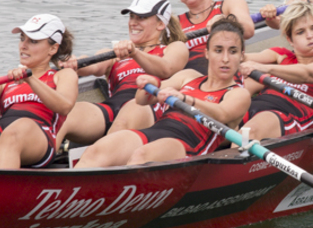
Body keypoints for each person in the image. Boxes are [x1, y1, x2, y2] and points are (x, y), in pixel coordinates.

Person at [74, 16, 251, 168]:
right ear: (207, 53)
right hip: (155, 131)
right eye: (218, 50)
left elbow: (221, 114)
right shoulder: (188, 76)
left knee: (141, 157)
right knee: (97, 151)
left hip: (185, 144)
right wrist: (150, 84)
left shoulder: (238, 93)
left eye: (233, 51)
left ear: (242, 56)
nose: (225, 59)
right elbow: (141, 100)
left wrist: (185, 99)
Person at [55, 0, 190, 148]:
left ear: (160, 24)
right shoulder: (115, 54)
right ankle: (44, 158)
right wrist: (75, 64)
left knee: (130, 111)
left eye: (141, 18)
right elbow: (93, 66)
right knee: (67, 115)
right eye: (131, 17)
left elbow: (166, 69)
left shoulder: (174, 48)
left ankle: (100, 155)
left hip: (146, 108)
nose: (133, 23)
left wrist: (135, 53)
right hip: (111, 108)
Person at [0, 14, 78, 169]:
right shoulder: (5, 81)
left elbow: (65, 106)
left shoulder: (63, 75)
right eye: (22, 39)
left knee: (17, 130)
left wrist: (30, 78)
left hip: (40, 137)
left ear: (53, 48)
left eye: (33, 41)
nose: (23, 46)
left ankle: (0, 182)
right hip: (3, 130)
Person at [239, 0, 313, 140]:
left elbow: (307, 74)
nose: (310, 35)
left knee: (250, 132)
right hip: (255, 106)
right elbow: (241, 57)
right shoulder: (281, 55)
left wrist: (264, 68)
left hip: (289, 116)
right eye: (300, 32)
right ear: (290, 39)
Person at [171, 0, 255, 75]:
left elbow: (248, 30)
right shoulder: (175, 22)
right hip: (189, 77)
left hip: (226, 72)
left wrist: (224, 22)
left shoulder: (229, 4)